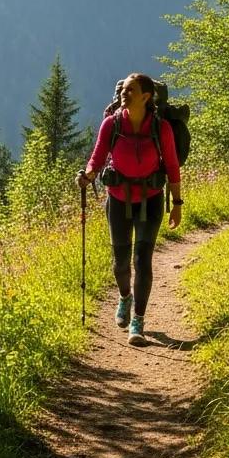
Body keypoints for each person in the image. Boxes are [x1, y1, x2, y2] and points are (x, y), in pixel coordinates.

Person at [75, 73, 183, 346]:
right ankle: (125, 296)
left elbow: (172, 167)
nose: (125, 93)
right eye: (123, 89)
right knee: (120, 263)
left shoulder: (162, 129)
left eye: (131, 90)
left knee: (142, 259)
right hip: (118, 199)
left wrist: (177, 204)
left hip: (152, 199)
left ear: (146, 97)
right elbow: (97, 158)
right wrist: (87, 176)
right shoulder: (111, 125)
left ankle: (138, 321)